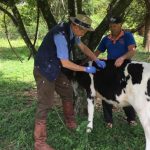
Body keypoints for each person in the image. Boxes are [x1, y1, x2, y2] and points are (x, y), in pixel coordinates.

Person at [33, 14, 106, 150]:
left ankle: (70, 122)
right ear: (75, 26)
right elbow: (65, 63)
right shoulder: (60, 35)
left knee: (67, 93)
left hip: (55, 67)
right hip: (44, 69)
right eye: (83, 30)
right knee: (45, 103)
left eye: (85, 31)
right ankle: (39, 143)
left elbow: (82, 47)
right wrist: (85, 68)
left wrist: (95, 59)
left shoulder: (73, 33)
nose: (84, 33)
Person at [94, 16, 137, 128]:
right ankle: (108, 121)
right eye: (110, 26)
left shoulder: (127, 35)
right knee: (106, 90)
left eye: (115, 26)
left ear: (120, 25)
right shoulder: (106, 39)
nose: (112, 28)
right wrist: (89, 60)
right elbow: (97, 52)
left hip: (125, 66)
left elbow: (132, 51)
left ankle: (131, 118)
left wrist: (122, 58)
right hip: (110, 67)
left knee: (126, 92)